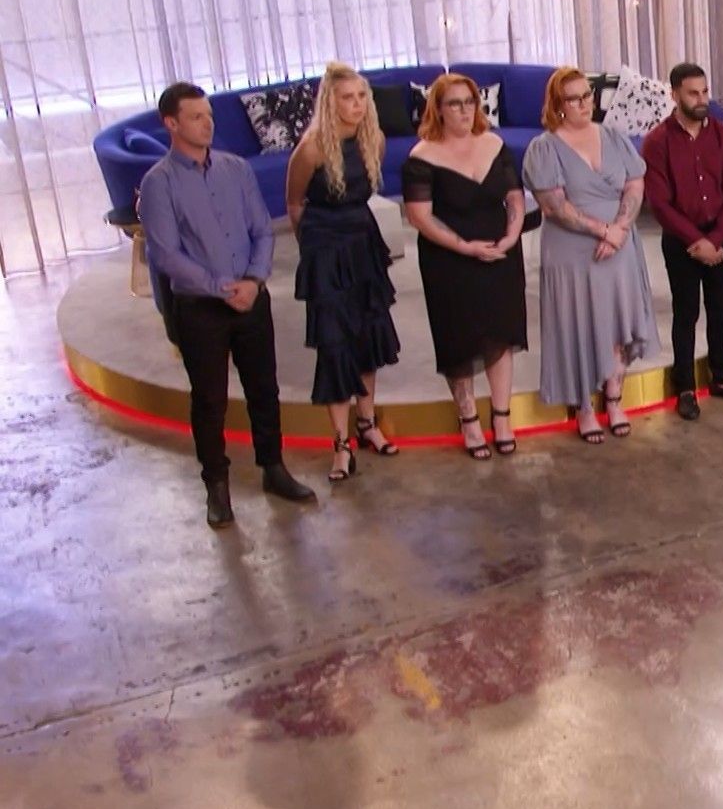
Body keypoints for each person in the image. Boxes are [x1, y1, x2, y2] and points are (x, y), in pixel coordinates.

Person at [138, 82, 316, 526]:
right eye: (196, 117)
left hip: (252, 298)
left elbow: (262, 230)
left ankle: (273, 467)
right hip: (200, 309)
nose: (208, 123)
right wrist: (223, 288)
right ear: (171, 123)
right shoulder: (159, 183)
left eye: (209, 115)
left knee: (264, 388)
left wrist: (253, 281)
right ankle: (216, 487)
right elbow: (166, 255)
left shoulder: (236, 169)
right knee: (210, 400)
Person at [522, 66, 667, 442]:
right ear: (558, 105)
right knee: (580, 326)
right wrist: (603, 230)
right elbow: (554, 206)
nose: (585, 104)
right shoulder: (544, 148)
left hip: (619, 244)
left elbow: (635, 184)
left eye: (587, 95)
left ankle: (614, 400)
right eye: (574, 99)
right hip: (572, 250)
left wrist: (620, 228)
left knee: (617, 323)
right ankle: (584, 408)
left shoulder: (613, 137)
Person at [400, 72, 527, 459]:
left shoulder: (494, 144)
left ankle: (501, 417)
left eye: (470, 102)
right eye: (454, 104)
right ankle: (469, 419)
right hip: (449, 259)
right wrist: (465, 248)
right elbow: (420, 217)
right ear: (437, 109)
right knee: (459, 338)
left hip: (500, 252)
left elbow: (515, 197)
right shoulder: (421, 157)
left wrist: (511, 235)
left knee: (501, 333)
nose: (464, 110)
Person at [287, 61, 403, 483]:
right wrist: (313, 251)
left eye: (361, 96)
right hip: (325, 245)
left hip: (362, 240)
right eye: (347, 98)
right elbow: (294, 203)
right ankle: (340, 445)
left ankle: (367, 424)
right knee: (335, 344)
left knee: (367, 336)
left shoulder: (375, 140)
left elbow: (365, 192)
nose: (357, 104)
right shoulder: (312, 148)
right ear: (330, 102)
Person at [641, 62, 723, 422]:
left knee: (721, 309)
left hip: (721, 238)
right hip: (682, 242)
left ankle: (721, 378)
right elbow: (660, 204)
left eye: (705, 91)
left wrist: (717, 239)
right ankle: (686, 389)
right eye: (693, 93)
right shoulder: (657, 142)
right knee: (686, 314)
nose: (702, 99)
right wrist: (697, 241)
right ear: (674, 95)